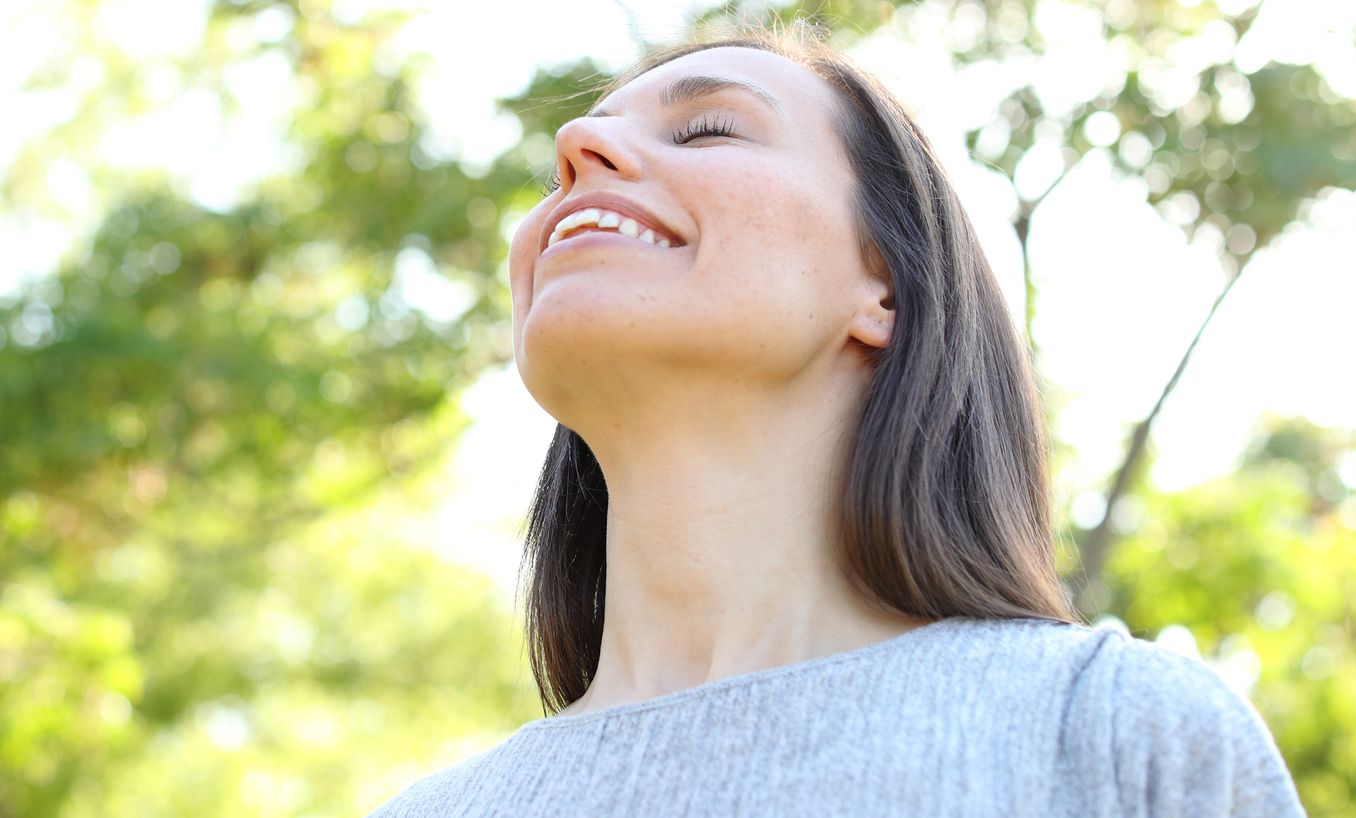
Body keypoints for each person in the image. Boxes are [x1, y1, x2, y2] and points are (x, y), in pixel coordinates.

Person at [367, 19, 1306, 818]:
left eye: (706, 130)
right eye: (561, 167)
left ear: (885, 287)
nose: (577, 145)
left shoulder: (1112, 737)